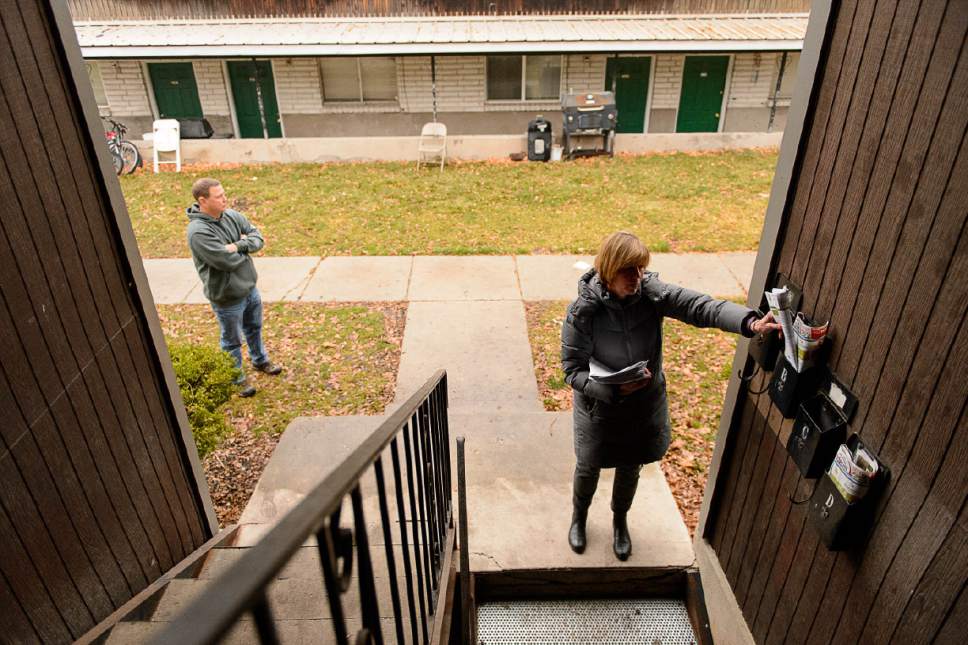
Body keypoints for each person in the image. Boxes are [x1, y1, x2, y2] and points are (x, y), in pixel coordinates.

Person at [560, 231, 779, 560]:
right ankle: (579, 517)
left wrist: (748, 322)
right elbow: (572, 371)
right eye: (628, 270)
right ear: (608, 269)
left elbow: (699, 306)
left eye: (641, 269)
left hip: (641, 409)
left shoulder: (652, 294)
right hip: (599, 410)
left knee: (630, 467)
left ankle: (620, 521)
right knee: (588, 468)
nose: (637, 277)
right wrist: (612, 389)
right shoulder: (583, 312)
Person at [186, 178, 282, 397]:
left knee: (254, 327)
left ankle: (260, 360)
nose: (224, 199)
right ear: (203, 200)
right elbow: (224, 261)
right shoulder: (198, 232)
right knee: (231, 341)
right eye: (218, 196)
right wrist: (243, 251)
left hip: (249, 288)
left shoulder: (231, 216)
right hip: (227, 296)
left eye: (224, 194)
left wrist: (238, 246)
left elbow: (258, 238)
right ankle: (235, 377)